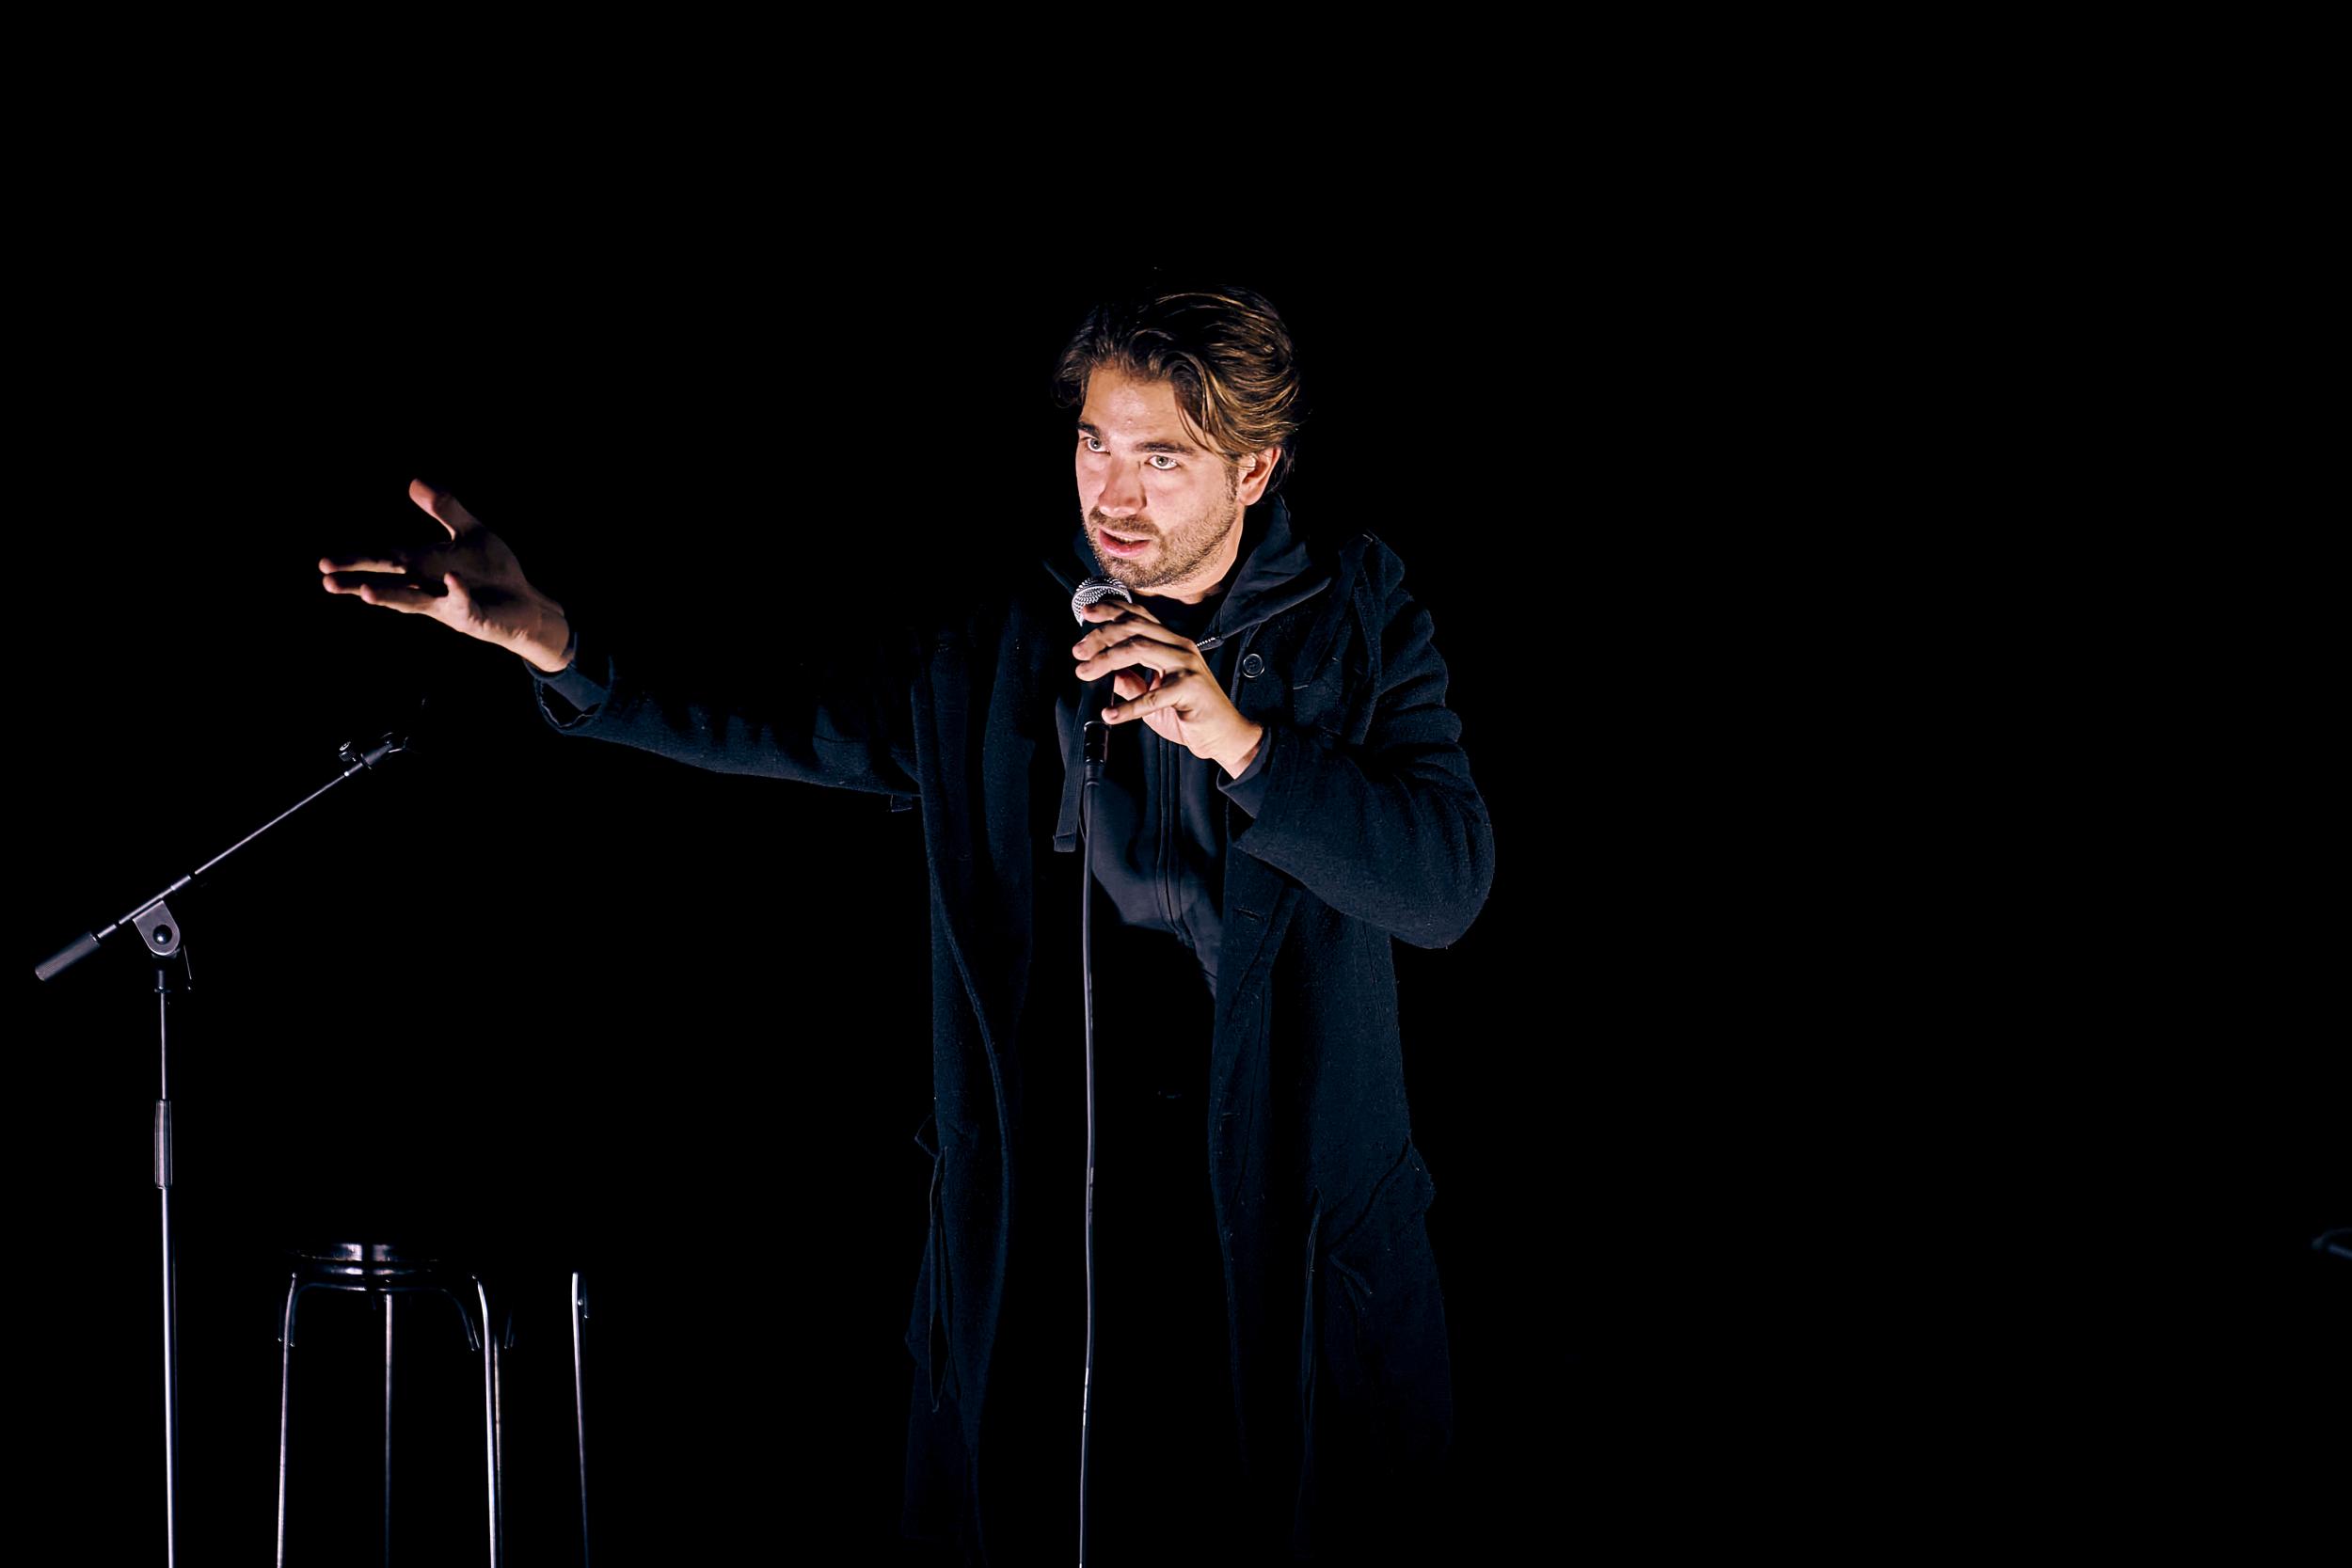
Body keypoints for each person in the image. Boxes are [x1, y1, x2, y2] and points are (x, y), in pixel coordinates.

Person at [321, 287, 1495, 1563]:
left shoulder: (1356, 616)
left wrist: (1243, 744)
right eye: (1096, 444)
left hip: (1280, 1234)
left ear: (1254, 470)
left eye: (1162, 460)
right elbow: (782, 721)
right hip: (1050, 1230)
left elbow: (1443, 887)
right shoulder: (1001, 637)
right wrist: (559, 647)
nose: (1114, 494)